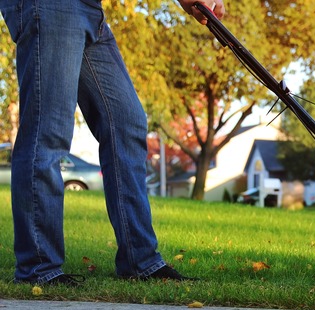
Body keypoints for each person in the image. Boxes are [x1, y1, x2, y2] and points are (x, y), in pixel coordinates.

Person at [0, 0, 225, 286]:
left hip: (89, 8)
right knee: (48, 131)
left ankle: (139, 261)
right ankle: (38, 268)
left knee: (127, 122)